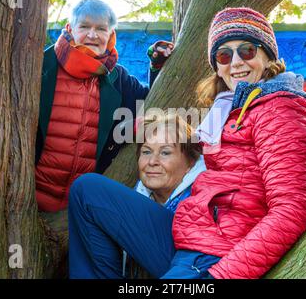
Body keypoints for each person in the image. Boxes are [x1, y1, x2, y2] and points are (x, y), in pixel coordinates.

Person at [68, 7, 306, 279]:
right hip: (193, 235)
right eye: (224, 55)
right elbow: (181, 143)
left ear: (268, 55)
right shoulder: (229, 109)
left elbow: (291, 209)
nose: (236, 62)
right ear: (217, 65)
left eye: (247, 50)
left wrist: (220, 276)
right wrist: (158, 72)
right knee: (87, 192)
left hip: (219, 255)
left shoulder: (280, 109)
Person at [35, 0, 173, 212]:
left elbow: (153, 104)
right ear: (70, 29)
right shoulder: (42, 66)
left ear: (111, 35)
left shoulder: (119, 79)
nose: (92, 35)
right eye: (85, 27)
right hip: (30, 203)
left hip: (82, 209)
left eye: (101, 29)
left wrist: (157, 65)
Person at [68, 112, 207, 278]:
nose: (152, 161)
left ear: (191, 163)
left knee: (87, 188)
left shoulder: (205, 194)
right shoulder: (140, 196)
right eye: (146, 152)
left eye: (165, 153)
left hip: (190, 269)